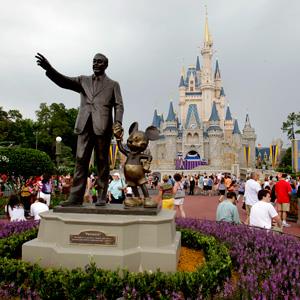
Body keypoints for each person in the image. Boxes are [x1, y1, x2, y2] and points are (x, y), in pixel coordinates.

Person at [36, 53, 124, 207]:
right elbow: (64, 82)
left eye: (99, 62)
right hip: (84, 125)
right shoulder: (83, 80)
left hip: (102, 126)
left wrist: (117, 122)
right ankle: (75, 197)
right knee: (80, 159)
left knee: (102, 161)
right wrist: (49, 69)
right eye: (94, 61)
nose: (96, 64)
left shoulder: (113, 84)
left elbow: (119, 105)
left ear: (106, 65)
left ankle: (102, 196)